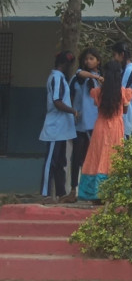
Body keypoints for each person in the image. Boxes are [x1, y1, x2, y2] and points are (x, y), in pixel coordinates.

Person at [77, 59, 132, 202]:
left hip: (100, 127)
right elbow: (125, 110)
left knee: (97, 156)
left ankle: (96, 193)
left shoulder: (98, 92)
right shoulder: (123, 92)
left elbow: (97, 105)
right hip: (116, 127)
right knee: (115, 157)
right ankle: (115, 193)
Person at [41, 51, 78, 202]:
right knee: (51, 161)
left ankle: (61, 193)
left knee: (61, 162)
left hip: (62, 128)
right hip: (55, 127)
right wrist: (73, 111)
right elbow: (57, 101)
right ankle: (45, 194)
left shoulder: (60, 78)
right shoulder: (57, 78)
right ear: (64, 64)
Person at [68, 48, 102, 200]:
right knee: (76, 157)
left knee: (93, 158)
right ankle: (73, 189)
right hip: (79, 124)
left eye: (92, 58)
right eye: (86, 58)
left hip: (95, 125)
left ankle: (91, 191)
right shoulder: (78, 78)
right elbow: (70, 97)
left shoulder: (100, 80)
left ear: (98, 61)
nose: (88, 61)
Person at [112, 42, 132, 138]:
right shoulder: (124, 69)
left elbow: (120, 90)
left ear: (122, 54)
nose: (114, 58)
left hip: (125, 115)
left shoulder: (129, 70)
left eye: (115, 55)